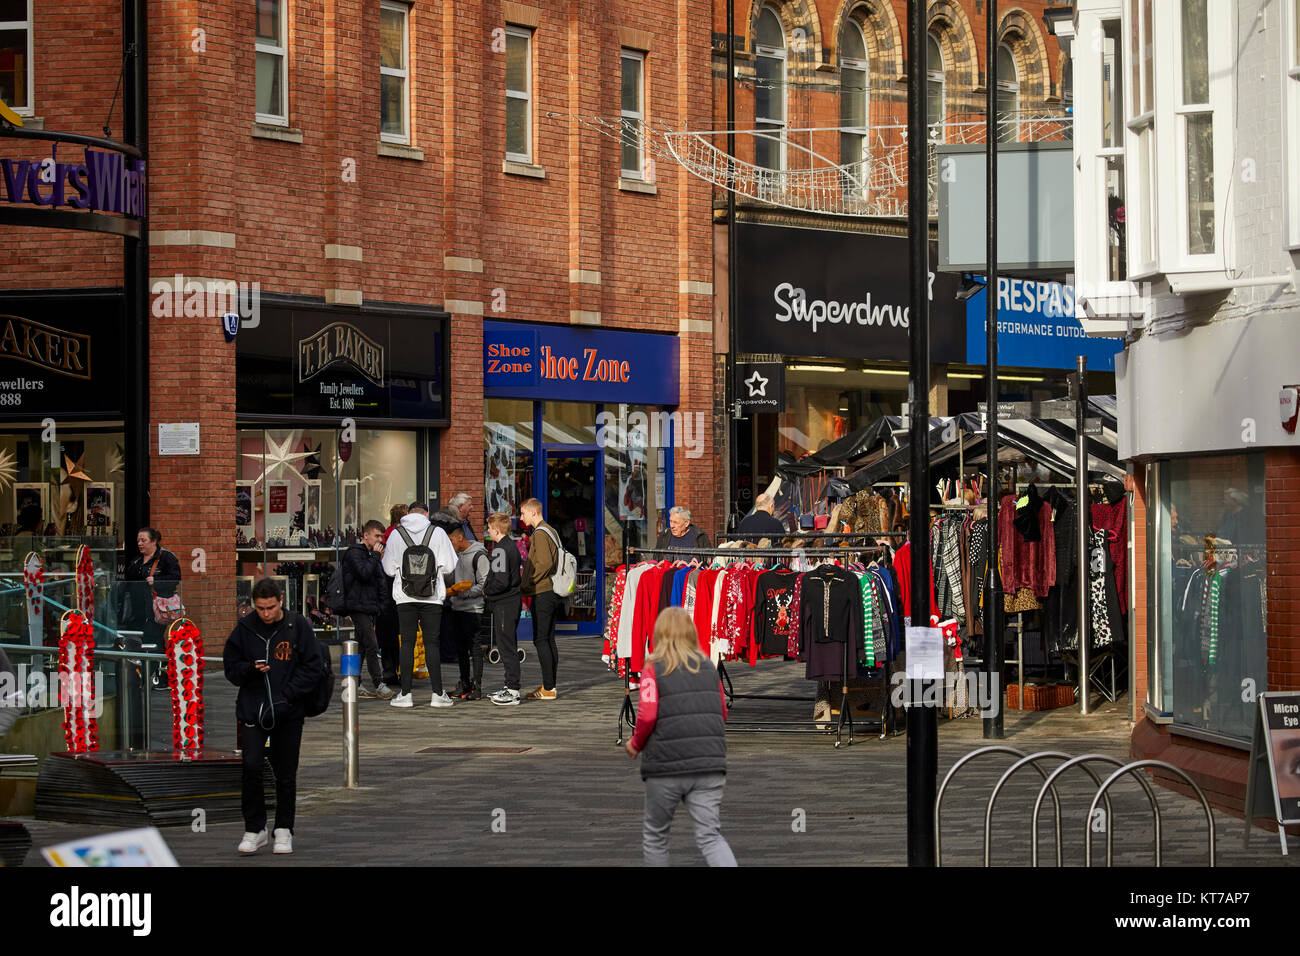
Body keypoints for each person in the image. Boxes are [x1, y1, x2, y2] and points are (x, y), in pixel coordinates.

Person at [624, 607, 736, 867]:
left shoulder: (653, 669)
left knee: (656, 835)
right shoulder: (708, 667)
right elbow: (721, 712)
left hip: (666, 766)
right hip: (709, 764)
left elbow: (648, 715)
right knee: (710, 836)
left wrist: (635, 743)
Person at [223, 577, 324, 856]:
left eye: (270, 607)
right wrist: (250, 670)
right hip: (254, 708)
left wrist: (289, 695)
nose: (266, 613)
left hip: (288, 709)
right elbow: (231, 667)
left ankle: (284, 828)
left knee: (286, 772)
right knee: (251, 767)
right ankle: (255, 828)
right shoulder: (244, 628)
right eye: (260, 608)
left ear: (281, 602)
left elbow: (313, 666)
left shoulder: (297, 625)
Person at [381, 501, 458, 708]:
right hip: (431, 596)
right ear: (427, 513)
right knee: (432, 643)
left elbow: (388, 568)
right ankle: (437, 694)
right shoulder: (438, 533)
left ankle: (405, 694)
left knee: (406, 643)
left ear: (408, 513)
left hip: (405, 596)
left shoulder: (397, 534)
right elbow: (450, 565)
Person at [118, 527, 182, 700]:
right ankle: (144, 677)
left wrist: (157, 581)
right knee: (139, 641)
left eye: (143, 540)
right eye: (138, 540)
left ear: (154, 541)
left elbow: (176, 578)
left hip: (157, 609)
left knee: (154, 640)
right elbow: (128, 583)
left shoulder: (166, 557)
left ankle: (156, 677)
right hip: (137, 610)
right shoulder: (136, 561)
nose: (139, 543)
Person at [342, 519, 395, 700]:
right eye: (377, 536)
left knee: (362, 647)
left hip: (370, 606)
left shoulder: (372, 555)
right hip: (357, 606)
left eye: (382, 536)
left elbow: (379, 580)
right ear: (366, 535)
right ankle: (378, 683)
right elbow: (363, 573)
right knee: (372, 644)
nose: (381, 540)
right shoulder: (355, 553)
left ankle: (352, 682)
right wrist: (374, 557)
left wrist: (382, 605)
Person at [442, 512, 490, 700]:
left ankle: (477, 687)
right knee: (460, 649)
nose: (449, 546)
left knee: (475, 649)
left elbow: (484, 584)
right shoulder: (455, 556)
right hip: (457, 607)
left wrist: (465, 593)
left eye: (450, 541)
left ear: (460, 538)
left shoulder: (478, 556)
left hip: (473, 609)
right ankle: (464, 683)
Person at [519, 497, 560, 700]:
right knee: (549, 639)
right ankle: (549, 684)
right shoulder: (550, 531)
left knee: (541, 639)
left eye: (523, 513)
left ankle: (549, 688)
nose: (521, 517)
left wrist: (529, 583)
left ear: (533, 512)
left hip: (543, 592)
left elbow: (544, 563)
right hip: (551, 592)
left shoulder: (540, 534)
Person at [484, 512, 523, 706]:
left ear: (496, 530)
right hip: (512, 601)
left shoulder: (499, 550)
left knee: (506, 646)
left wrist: (486, 591)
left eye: (489, 528)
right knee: (509, 644)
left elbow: (500, 581)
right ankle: (510, 686)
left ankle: (513, 689)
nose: (488, 531)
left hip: (504, 603)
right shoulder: (512, 546)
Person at [376, 504, 408, 686]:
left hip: (386, 587)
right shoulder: (399, 535)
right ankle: (399, 669)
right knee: (399, 632)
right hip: (396, 586)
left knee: (388, 633)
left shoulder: (387, 534)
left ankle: (389, 670)